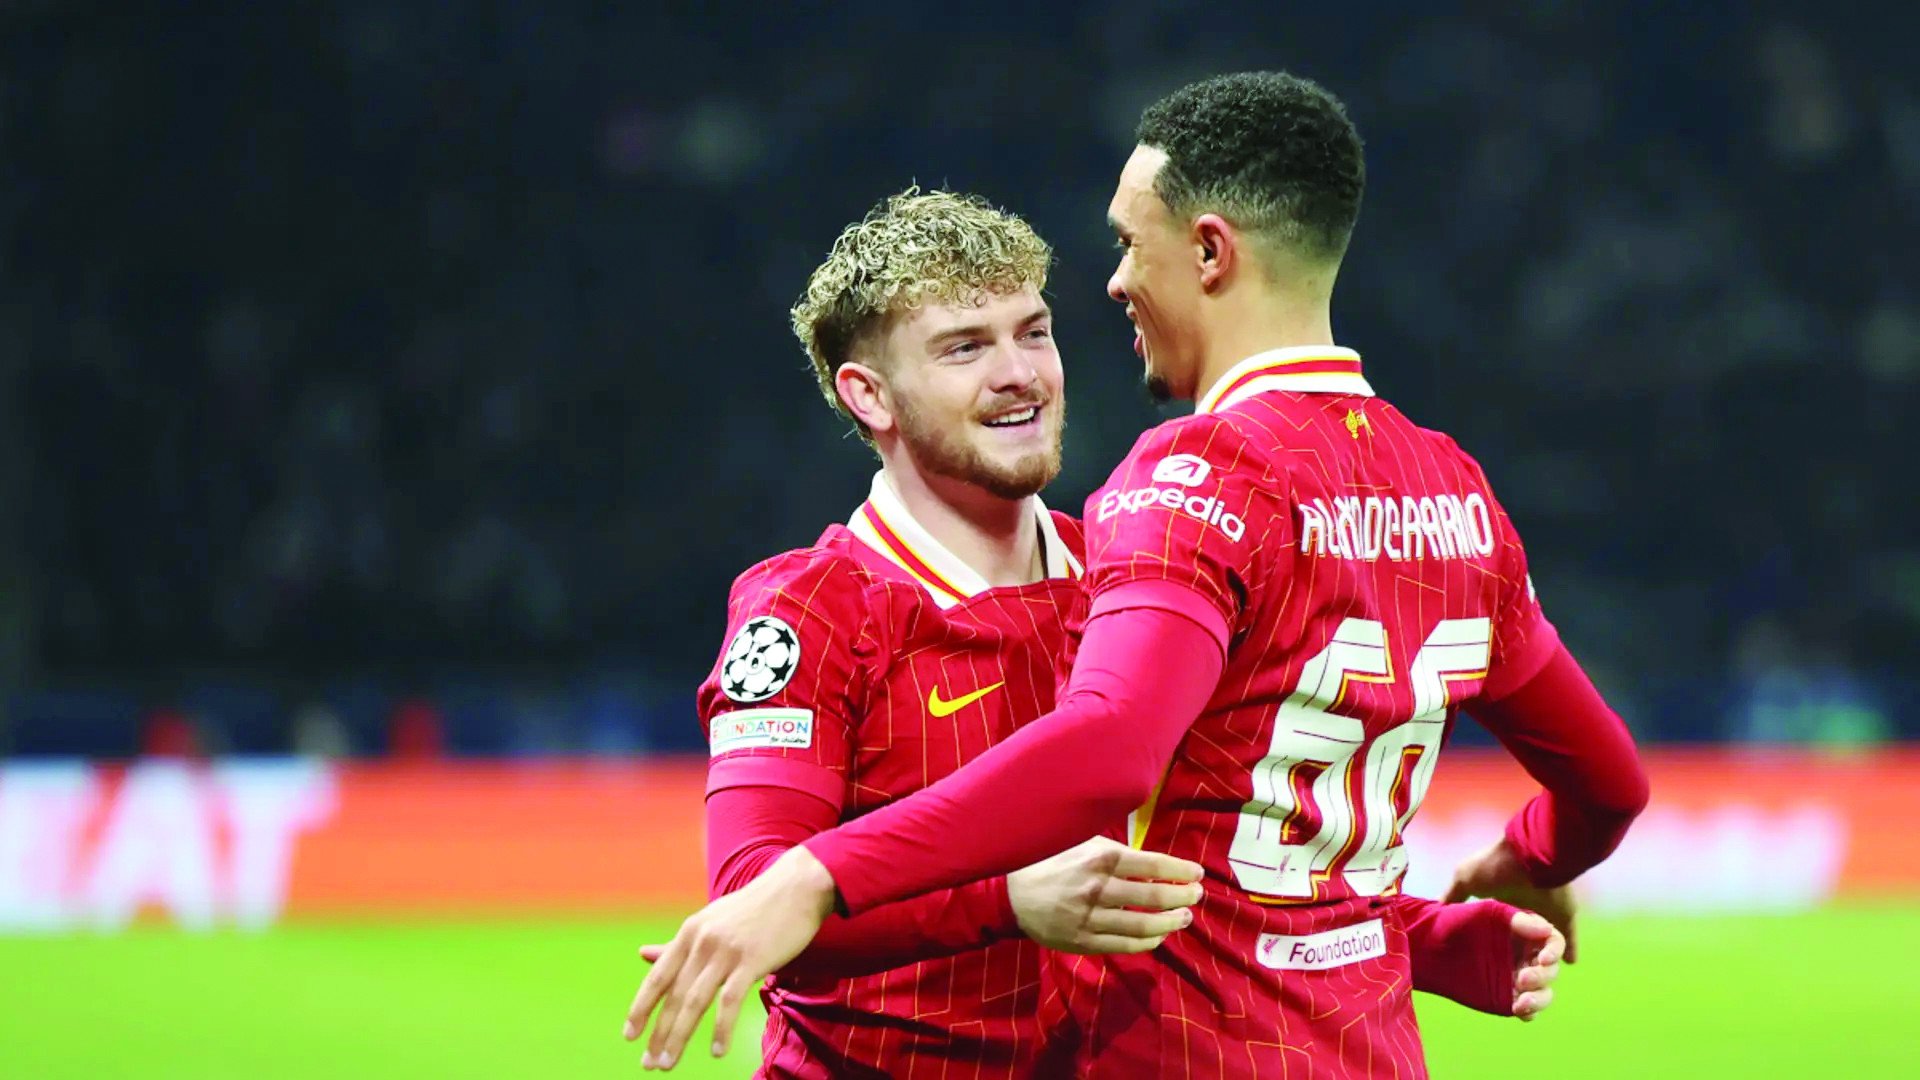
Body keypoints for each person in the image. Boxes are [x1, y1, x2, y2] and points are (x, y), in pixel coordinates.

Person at [629, 162, 1596, 1075]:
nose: (1021, 374)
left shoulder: (1138, 574)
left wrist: (1421, 940)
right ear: (867, 393)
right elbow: (761, 902)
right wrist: (1006, 903)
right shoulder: (809, 612)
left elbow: (1221, 867)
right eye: (965, 348)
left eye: (1034, 331)